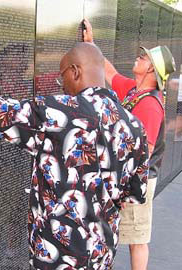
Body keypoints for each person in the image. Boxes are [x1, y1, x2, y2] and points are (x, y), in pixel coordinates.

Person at [0, 42, 149, 270]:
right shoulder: (135, 127)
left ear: (75, 71)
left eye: (63, 78)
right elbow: (134, 194)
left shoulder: (60, 111)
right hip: (102, 253)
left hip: (57, 256)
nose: (62, 87)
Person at [83, 19, 176, 270]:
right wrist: (91, 44)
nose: (139, 57)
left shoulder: (149, 105)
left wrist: (127, 188)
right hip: (126, 179)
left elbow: (141, 155)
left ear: (151, 71)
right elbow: (110, 73)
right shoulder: (135, 92)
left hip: (137, 181)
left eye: (144, 58)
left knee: (137, 238)